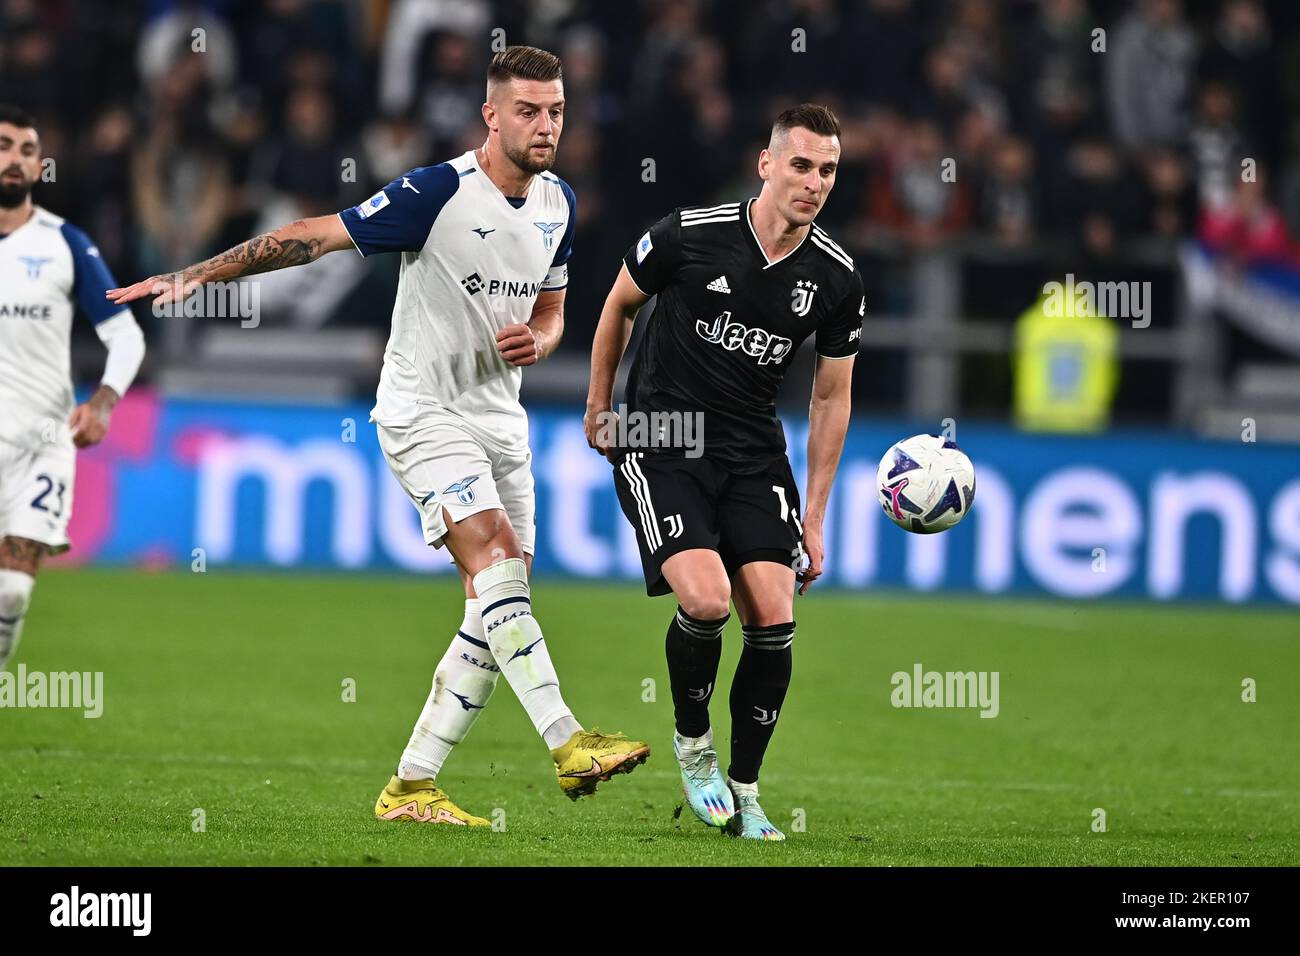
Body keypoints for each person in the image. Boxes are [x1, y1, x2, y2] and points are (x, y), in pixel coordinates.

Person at [107, 47, 648, 827]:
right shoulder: (438, 192)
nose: (545, 125)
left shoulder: (560, 203)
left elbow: (555, 306)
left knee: (497, 603)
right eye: (527, 110)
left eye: (556, 110)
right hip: (423, 411)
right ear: (491, 115)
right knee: (494, 559)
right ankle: (567, 739)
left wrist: (543, 335)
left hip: (501, 417)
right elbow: (310, 235)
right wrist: (193, 276)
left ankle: (412, 786)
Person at [585, 104, 863, 840]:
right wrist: (598, 406)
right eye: (800, 165)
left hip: (752, 451)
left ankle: (746, 789)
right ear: (767, 164)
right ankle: (694, 745)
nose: (813, 182)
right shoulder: (689, 234)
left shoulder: (836, 279)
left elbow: (831, 396)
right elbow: (617, 306)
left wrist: (815, 517)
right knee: (707, 601)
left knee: (774, 616)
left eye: (828, 170)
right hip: (659, 436)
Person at [0, 104, 147, 673]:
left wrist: (104, 403)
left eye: (28, 150)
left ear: (40, 164)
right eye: (5, 145)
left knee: (11, 594)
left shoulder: (64, 243)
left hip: (43, 440)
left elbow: (127, 336)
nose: (15, 160)